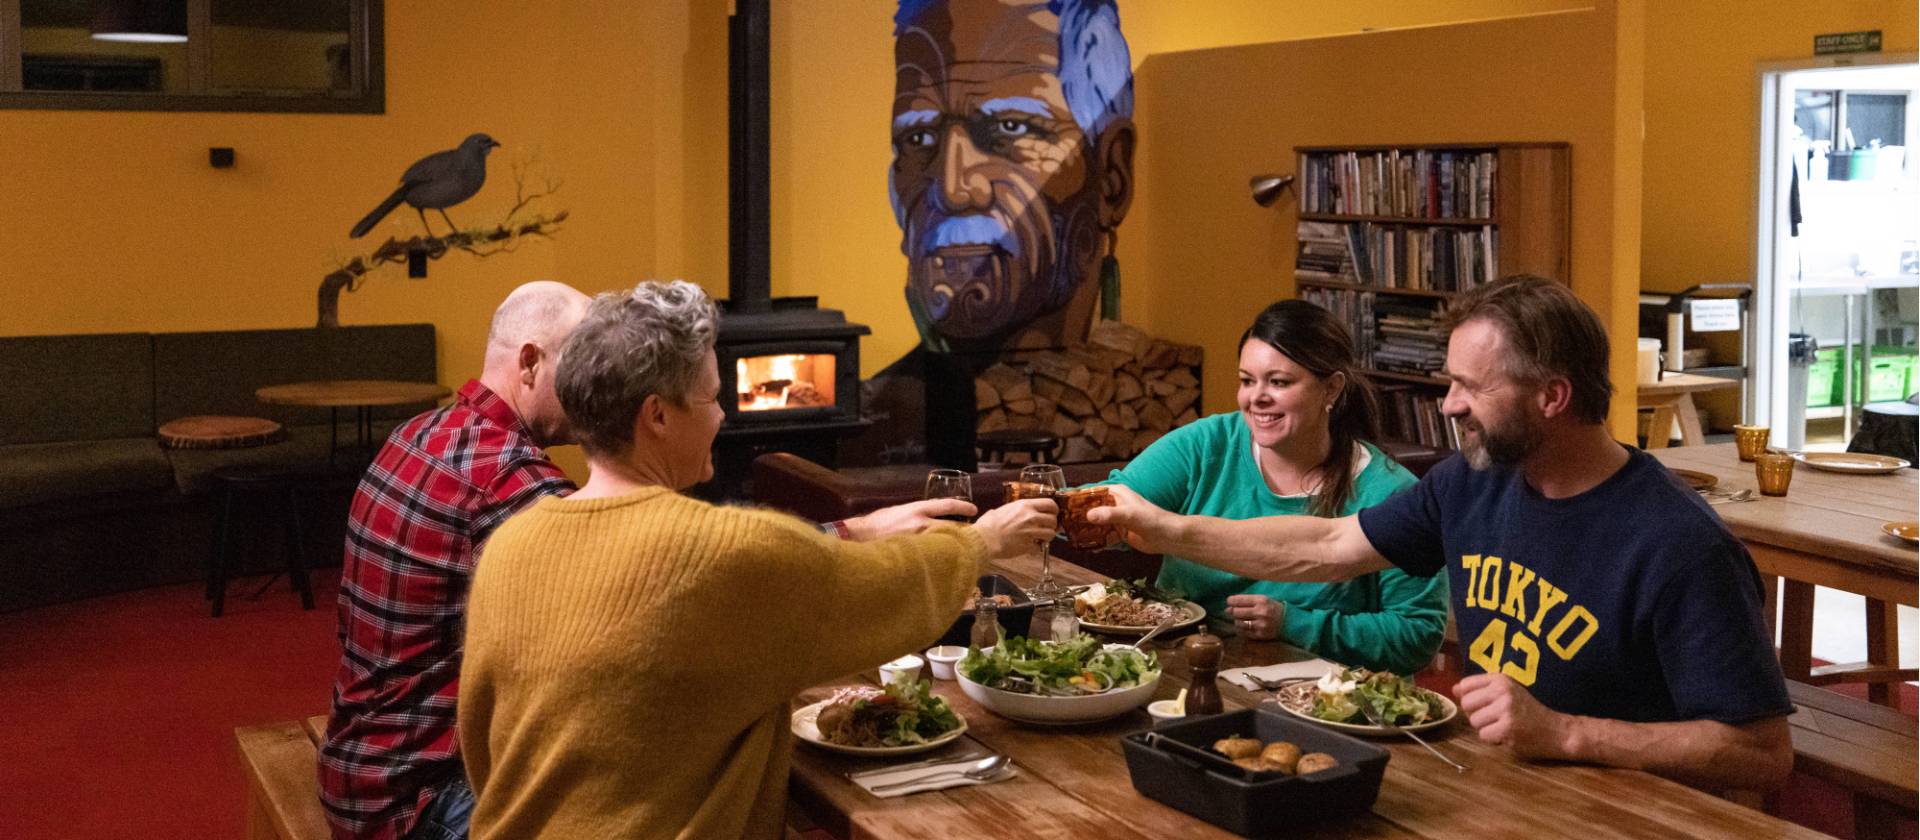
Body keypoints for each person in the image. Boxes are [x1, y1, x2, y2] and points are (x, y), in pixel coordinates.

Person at [318, 281, 984, 840]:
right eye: (582, 360)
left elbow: (694, 560)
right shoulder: (514, 493)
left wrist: (854, 533)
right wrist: (895, 539)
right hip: (417, 801)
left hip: (362, 759)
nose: (592, 381)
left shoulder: (428, 432)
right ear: (529, 362)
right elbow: (686, 573)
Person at [1089, 277, 1794, 791]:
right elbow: (1326, 548)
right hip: (1494, 782)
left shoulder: (1679, 543)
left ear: (1551, 396)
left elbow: (1762, 753)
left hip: (1626, 807)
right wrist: (1169, 529)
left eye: (1471, 387)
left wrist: (1569, 733)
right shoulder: (1473, 481)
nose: (1450, 405)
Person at [1098, 300, 1446, 674]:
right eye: (1247, 380)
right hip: (1183, 667)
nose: (1256, 397)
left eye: (1278, 382)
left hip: (1324, 700)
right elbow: (1110, 501)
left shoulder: (1390, 492)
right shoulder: (1205, 444)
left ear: (1331, 390)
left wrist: (1294, 622)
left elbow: (1417, 634)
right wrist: (1043, 505)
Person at [889, 0, 1135, 352]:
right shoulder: (889, 404)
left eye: (1011, 127)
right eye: (918, 138)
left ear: (1113, 176)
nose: (953, 189)